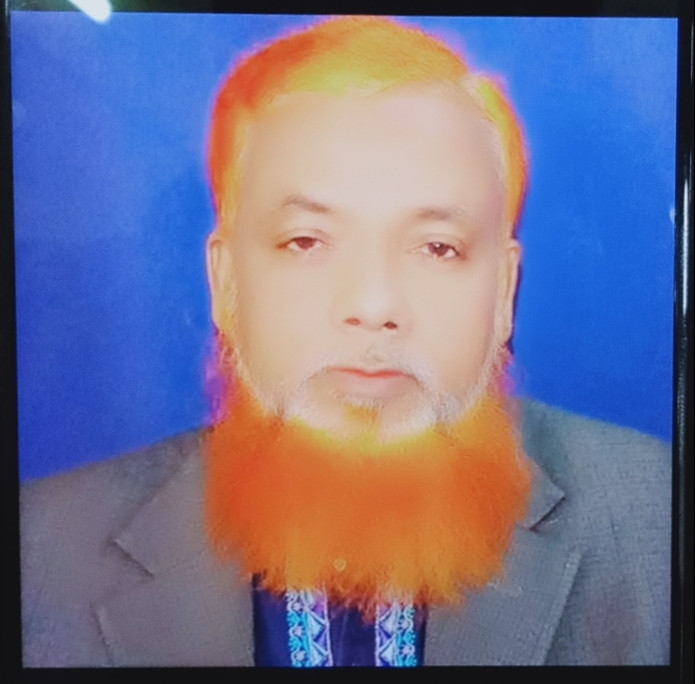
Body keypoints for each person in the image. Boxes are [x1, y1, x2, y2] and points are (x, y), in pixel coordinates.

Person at [20, 16, 671, 667]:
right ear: (226, 282)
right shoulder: (40, 552)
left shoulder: (657, 520)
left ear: (503, 293)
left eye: (437, 247)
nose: (373, 305)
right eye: (306, 241)